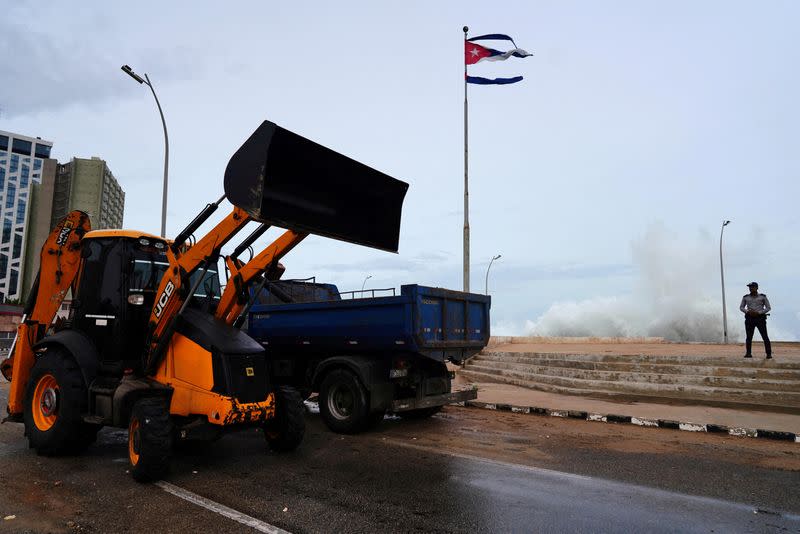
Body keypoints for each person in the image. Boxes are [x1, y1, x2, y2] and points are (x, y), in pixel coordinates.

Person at [739, 282, 772, 359]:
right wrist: (747, 311)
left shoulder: (762, 297)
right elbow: (741, 307)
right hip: (749, 318)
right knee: (749, 337)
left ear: (757, 288)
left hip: (760, 318)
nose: (751, 288)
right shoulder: (745, 297)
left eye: (753, 287)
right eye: (750, 287)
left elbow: (768, 308)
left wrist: (759, 313)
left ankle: (769, 354)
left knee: (765, 337)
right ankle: (748, 353)